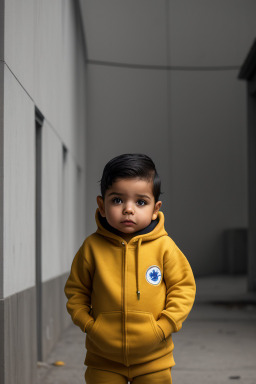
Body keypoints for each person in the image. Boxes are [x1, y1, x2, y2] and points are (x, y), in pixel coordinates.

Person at [64, 153, 196, 384]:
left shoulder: (165, 247)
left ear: (155, 209)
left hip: (154, 359)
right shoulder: (91, 248)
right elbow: (76, 291)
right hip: (103, 360)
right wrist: (90, 326)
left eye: (140, 202)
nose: (128, 209)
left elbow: (183, 288)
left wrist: (163, 327)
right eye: (117, 200)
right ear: (102, 206)